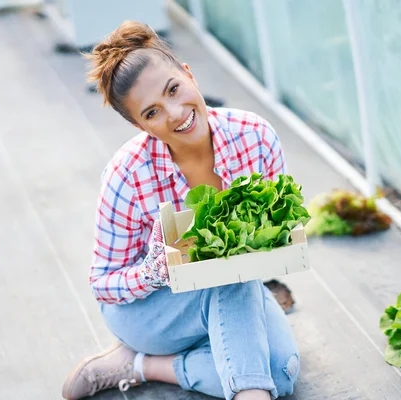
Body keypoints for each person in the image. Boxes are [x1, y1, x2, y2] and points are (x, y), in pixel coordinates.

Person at [61, 21, 300, 400]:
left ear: (189, 75)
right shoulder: (127, 175)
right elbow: (102, 284)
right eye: (152, 112)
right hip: (152, 313)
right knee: (224, 272)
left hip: (235, 293)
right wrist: (156, 271)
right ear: (140, 125)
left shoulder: (255, 136)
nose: (174, 113)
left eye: (174, 90)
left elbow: (280, 233)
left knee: (282, 373)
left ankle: (140, 366)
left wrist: (282, 236)